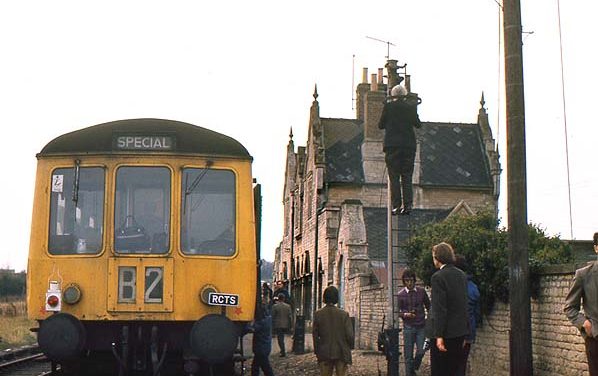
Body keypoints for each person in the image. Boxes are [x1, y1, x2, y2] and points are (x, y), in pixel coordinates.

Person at [378, 84, 422, 215]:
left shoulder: (389, 106)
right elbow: (418, 124)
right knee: (407, 176)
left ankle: (396, 205)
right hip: (408, 146)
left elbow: (381, 125)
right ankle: (408, 205)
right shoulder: (410, 107)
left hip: (392, 146)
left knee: (394, 177)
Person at [429, 242, 470, 376]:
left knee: (440, 370)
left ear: (438, 257)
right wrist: (466, 331)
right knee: (456, 370)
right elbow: (464, 304)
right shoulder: (462, 275)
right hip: (459, 332)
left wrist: (439, 335)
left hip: (445, 333)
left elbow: (440, 308)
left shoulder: (438, 277)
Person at [564, 232, 598, 376]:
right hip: (596, 341)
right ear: (596, 248)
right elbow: (570, 308)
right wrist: (585, 324)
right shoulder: (584, 275)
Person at [313, 286, 354, 376]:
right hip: (341, 351)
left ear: (324, 297)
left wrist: (317, 351)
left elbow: (315, 336)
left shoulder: (318, 314)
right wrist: (349, 347)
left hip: (324, 352)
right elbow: (350, 335)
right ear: (336, 298)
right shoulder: (344, 315)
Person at [397, 269, 431, 376]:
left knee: (421, 350)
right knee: (408, 355)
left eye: (411, 280)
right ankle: (409, 373)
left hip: (421, 326)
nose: (409, 283)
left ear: (414, 280)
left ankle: (415, 367)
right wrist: (406, 314)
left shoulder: (421, 292)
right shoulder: (400, 294)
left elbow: (429, 306)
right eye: (407, 281)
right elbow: (397, 312)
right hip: (408, 327)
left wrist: (428, 319)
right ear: (404, 282)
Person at [454, 254, 481, 376]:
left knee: (452, 364)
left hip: (455, 331)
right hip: (470, 330)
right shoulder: (473, 287)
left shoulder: (454, 285)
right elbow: (476, 311)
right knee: (462, 363)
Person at [250, 304, 275, 376]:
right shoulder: (268, 319)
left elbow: (253, 328)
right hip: (265, 347)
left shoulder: (262, 322)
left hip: (260, 348)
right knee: (256, 366)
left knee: (265, 367)